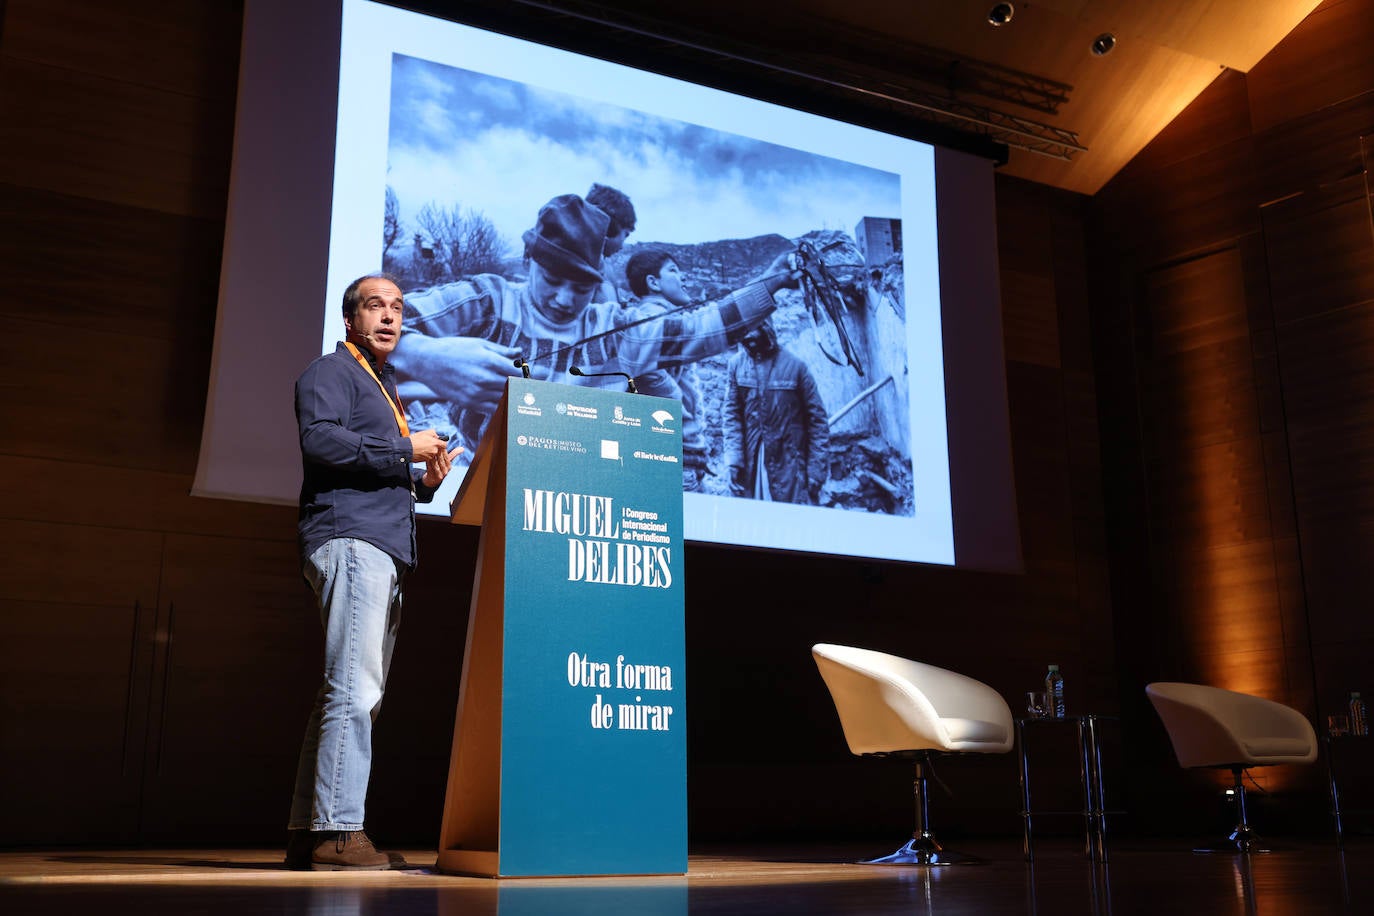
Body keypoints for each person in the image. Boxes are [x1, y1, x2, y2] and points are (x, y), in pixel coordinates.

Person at [391, 193, 799, 463]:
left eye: (583, 286)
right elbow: (372, 318)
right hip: (486, 498)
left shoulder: (617, 330)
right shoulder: (485, 302)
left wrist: (771, 284)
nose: (566, 299)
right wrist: (421, 353)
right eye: (553, 280)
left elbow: (700, 330)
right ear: (528, 262)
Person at [286, 273, 462, 871]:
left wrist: (425, 482)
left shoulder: (383, 387)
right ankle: (338, 832)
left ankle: (306, 834)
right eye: (373, 306)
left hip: (380, 544)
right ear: (349, 319)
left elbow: (379, 464)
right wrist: (404, 451)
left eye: (397, 308)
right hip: (352, 538)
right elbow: (320, 443)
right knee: (356, 690)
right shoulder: (331, 372)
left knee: (343, 690)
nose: (388, 317)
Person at [624, 248, 708, 491]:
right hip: (674, 455)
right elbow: (643, 371)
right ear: (653, 282)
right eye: (673, 270)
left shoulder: (660, 318)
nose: (683, 278)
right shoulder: (653, 320)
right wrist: (676, 405)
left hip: (681, 454)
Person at [724, 320, 830, 505]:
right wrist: (733, 460)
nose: (748, 337)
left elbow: (818, 421)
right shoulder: (736, 366)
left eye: (753, 329)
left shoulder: (796, 367)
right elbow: (731, 416)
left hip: (790, 466)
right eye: (743, 331)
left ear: (767, 328)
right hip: (752, 463)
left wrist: (816, 471)